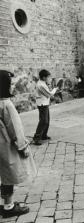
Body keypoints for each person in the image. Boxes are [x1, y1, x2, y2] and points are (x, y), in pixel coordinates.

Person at [0, 70, 37, 218]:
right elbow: (15, 129)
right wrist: (22, 147)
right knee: (8, 175)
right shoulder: (6, 104)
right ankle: (8, 207)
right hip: (6, 146)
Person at [33, 70, 58, 145]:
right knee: (43, 121)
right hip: (42, 104)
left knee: (47, 120)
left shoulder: (43, 82)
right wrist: (55, 89)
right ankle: (36, 138)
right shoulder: (41, 85)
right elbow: (49, 94)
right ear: (43, 77)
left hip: (45, 103)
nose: (49, 78)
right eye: (48, 77)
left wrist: (49, 84)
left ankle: (43, 135)